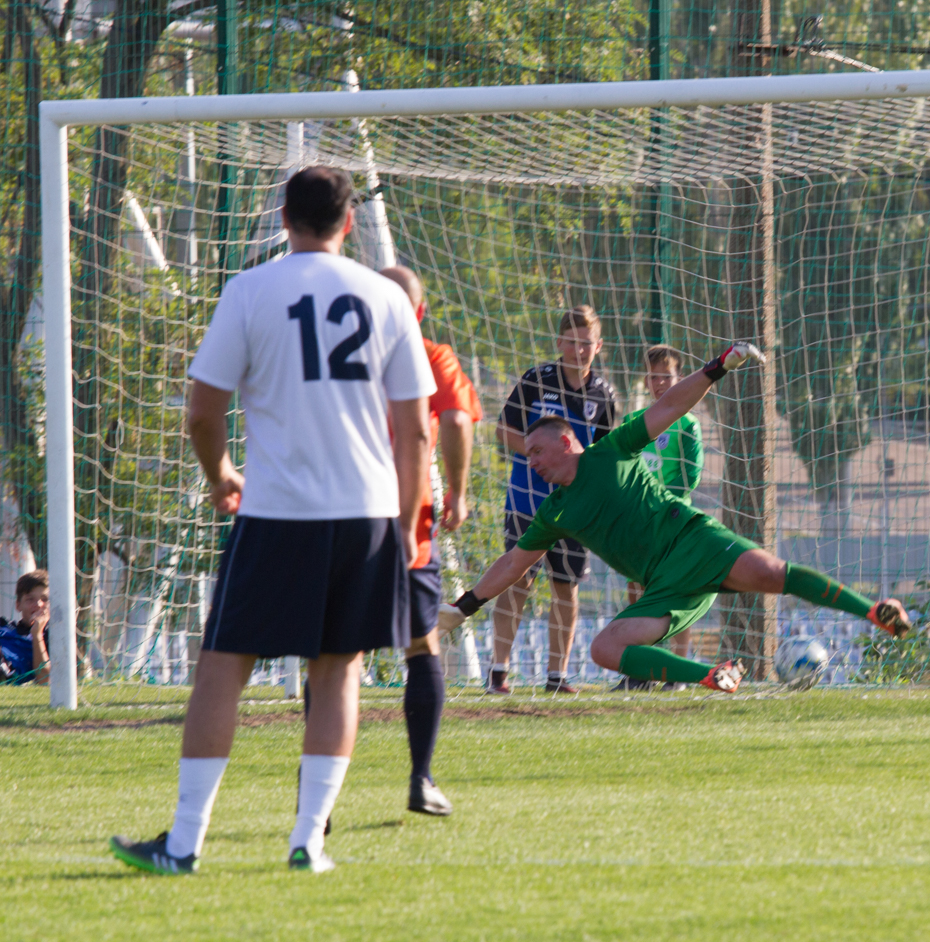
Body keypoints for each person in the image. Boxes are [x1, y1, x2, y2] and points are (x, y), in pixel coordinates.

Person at [109, 165, 435, 875]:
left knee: (223, 666)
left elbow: (203, 411)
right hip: (367, 514)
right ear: (350, 223)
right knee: (338, 671)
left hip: (278, 510)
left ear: (283, 218)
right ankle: (308, 843)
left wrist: (220, 475)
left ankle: (185, 843)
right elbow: (416, 432)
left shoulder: (250, 289)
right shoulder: (387, 297)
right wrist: (407, 525)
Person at [437, 343, 912, 692]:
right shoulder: (553, 511)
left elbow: (669, 404)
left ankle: (875, 611)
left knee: (773, 574)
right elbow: (512, 564)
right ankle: (711, 675)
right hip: (665, 587)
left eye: (537, 451)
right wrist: (461, 609)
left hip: (694, 541)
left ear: (566, 442)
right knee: (604, 649)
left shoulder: (612, 450)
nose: (532, 461)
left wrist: (717, 367)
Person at [378, 265, 484, 816]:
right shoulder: (431, 355)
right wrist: (458, 494)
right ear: (419, 312)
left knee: (333, 658)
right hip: (410, 522)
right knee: (422, 646)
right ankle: (421, 778)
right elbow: (458, 422)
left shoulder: (337, 358)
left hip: (339, 519)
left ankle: (316, 803)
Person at [490, 305, 618, 694]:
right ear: (559, 342)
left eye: (587, 344)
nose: (580, 351)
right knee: (518, 581)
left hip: (574, 506)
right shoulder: (536, 380)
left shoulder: (604, 394)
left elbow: (603, 454)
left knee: (566, 587)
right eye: (573, 342)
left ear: (599, 346)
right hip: (527, 500)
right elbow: (503, 430)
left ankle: (556, 676)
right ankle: (497, 672)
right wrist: (538, 455)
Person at [616, 345, 703, 691]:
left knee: (677, 592)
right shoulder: (633, 421)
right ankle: (641, 672)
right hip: (639, 520)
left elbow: (690, 477)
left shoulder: (688, 424)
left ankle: (678, 673)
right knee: (637, 592)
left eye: (666, 376)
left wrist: (662, 503)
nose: (660, 383)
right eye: (653, 376)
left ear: (679, 378)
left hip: (672, 519)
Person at [0, 569, 49, 686]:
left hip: (8, 673)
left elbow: (44, 680)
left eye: (44, 599)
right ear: (18, 605)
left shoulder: (52, 638)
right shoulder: (4, 625)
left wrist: (37, 634)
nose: (38, 604)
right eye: (30, 599)